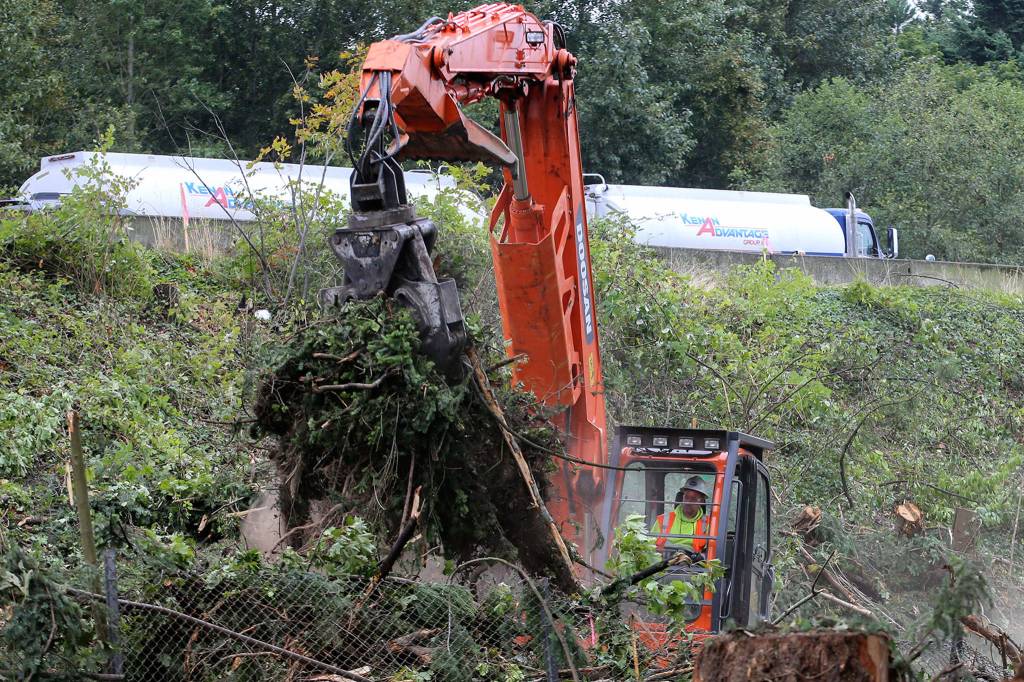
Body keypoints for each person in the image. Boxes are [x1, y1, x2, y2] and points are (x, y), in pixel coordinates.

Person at [652, 476, 708, 556]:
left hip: (693, 567)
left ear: (702, 501)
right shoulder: (663, 520)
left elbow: (711, 554)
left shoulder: (708, 524)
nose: (688, 502)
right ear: (682, 497)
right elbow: (650, 546)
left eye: (693, 498)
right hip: (664, 565)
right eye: (686, 497)